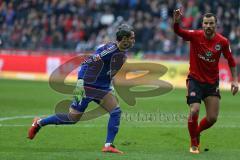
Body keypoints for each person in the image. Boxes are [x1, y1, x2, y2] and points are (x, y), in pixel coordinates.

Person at [28, 24, 135, 154]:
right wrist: (79, 83)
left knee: (116, 112)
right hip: (87, 86)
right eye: (132, 38)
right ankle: (39, 123)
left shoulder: (121, 51)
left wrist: (109, 84)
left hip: (101, 88)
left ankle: (108, 145)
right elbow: (86, 62)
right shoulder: (109, 51)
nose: (133, 40)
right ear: (124, 39)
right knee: (73, 118)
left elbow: (108, 70)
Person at [173, 9, 239, 154]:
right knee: (194, 110)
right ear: (202, 25)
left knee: (212, 118)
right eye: (206, 23)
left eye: (211, 23)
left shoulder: (222, 41)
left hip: (211, 83)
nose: (208, 26)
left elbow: (231, 61)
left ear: (216, 25)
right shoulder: (195, 36)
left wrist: (234, 80)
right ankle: (194, 143)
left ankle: (196, 132)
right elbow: (179, 31)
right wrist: (176, 21)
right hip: (195, 80)